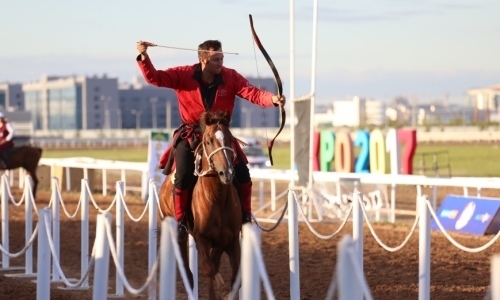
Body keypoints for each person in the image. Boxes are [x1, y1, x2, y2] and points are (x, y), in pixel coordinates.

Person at [136, 39, 286, 239]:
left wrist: (273, 100)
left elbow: (253, 93)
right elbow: (155, 78)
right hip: (192, 134)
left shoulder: (230, 77)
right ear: (203, 59)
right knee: (182, 174)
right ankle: (181, 222)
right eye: (216, 59)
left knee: (243, 173)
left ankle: (246, 219)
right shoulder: (183, 74)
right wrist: (144, 56)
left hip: (220, 136)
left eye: (222, 58)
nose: (220, 63)